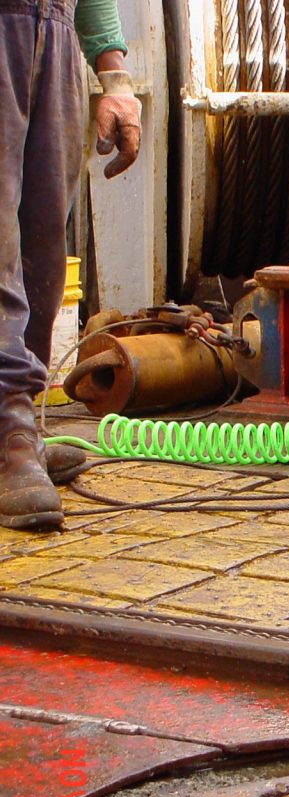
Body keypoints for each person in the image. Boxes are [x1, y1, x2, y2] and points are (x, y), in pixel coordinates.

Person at [0, 0, 142, 530]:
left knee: (42, 247)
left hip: (52, 32)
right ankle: (8, 430)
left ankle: (21, 429)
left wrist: (117, 79)